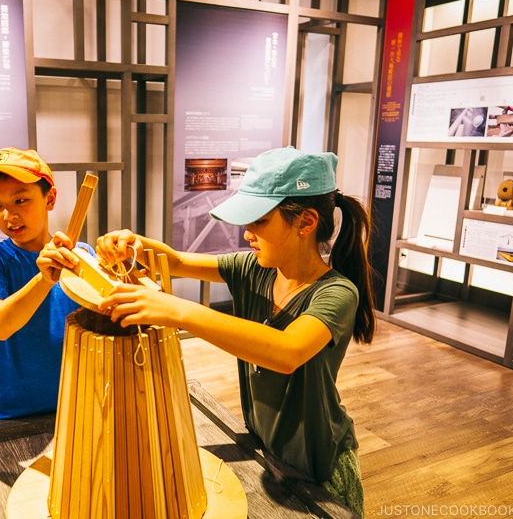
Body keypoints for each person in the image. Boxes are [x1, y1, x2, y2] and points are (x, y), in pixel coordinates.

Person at [96, 146, 375, 517]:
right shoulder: (254, 268)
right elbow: (177, 262)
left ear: (305, 223)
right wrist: (137, 245)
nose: (247, 235)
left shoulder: (336, 293)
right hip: (266, 448)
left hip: (317, 465)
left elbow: (286, 351)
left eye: (258, 222)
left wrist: (180, 311)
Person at [0, 147, 93, 422]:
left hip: (79, 401)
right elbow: (0, 326)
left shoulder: (82, 255)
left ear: (50, 198)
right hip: (13, 410)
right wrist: (43, 279)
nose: (9, 216)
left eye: (21, 200)